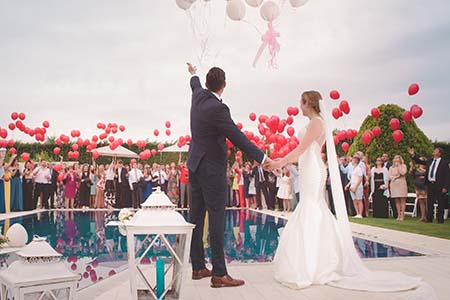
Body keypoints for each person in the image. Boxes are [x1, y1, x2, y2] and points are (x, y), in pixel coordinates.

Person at [265, 91, 426, 295]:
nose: (300, 106)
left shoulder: (316, 122)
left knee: (312, 207)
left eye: (302, 102)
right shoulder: (317, 122)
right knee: (312, 207)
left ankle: (314, 264)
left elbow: (301, 148)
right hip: (309, 166)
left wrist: (279, 161)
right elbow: (301, 151)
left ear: (310, 104)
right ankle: (317, 259)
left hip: (313, 168)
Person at [186, 63, 268, 288]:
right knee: (216, 218)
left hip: (194, 165)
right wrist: (261, 157)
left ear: (205, 83)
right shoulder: (218, 108)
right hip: (212, 170)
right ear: (224, 85)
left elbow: (193, 83)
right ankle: (219, 273)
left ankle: (197, 267)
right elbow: (237, 136)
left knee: (195, 218)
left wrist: (193, 72)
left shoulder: (198, 96)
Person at [409, 147, 450, 223]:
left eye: (435, 151)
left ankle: (440, 220)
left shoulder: (444, 163)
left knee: (440, 202)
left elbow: (447, 176)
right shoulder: (430, 161)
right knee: (430, 202)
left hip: (439, 185)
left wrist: (445, 187)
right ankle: (429, 219)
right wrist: (413, 155)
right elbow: (420, 161)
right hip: (430, 184)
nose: (433, 152)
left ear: (439, 153)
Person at [389, 155, 408, 221]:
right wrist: (395, 177)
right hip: (394, 184)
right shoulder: (391, 167)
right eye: (395, 158)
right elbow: (389, 176)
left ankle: (402, 215)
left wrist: (399, 166)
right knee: (396, 200)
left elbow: (403, 173)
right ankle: (398, 214)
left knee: (402, 200)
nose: (396, 160)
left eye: (398, 158)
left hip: (401, 184)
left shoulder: (403, 166)